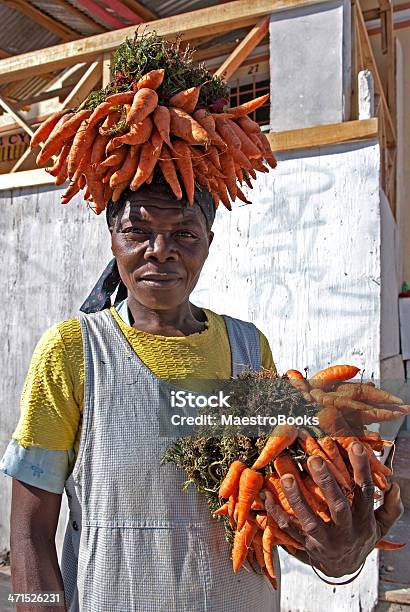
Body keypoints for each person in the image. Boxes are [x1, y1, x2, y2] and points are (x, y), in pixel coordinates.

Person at [0, 181, 403, 612]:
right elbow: (29, 534)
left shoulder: (249, 349)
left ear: (208, 242)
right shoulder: (74, 352)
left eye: (184, 234)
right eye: (137, 231)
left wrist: (332, 547)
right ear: (113, 237)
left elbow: (277, 508)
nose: (160, 250)